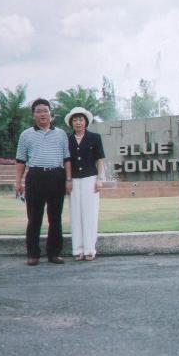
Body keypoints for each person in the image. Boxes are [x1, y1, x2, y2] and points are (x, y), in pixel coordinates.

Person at [15, 98, 72, 266]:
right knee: (34, 218)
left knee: (55, 218)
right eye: (39, 111)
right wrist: (18, 182)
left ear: (50, 114)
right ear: (33, 115)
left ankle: (54, 253)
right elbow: (20, 160)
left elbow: (67, 158)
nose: (43, 114)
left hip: (56, 176)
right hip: (35, 177)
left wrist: (68, 179)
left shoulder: (61, 134)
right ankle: (33, 254)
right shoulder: (25, 135)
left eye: (45, 111)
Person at [65, 107, 105, 262]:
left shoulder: (95, 137)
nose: (78, 122)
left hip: (90, 179)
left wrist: (99, 179)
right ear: (71, 123)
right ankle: (78, 250)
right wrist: (68, 180)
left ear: (86, 122)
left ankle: (89, 249)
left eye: (81, 119)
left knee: (90, 214)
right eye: (75, 120)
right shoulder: (67, 140)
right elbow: (67, 161)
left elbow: (99, 160)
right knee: (75, 214)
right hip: (74, 180)